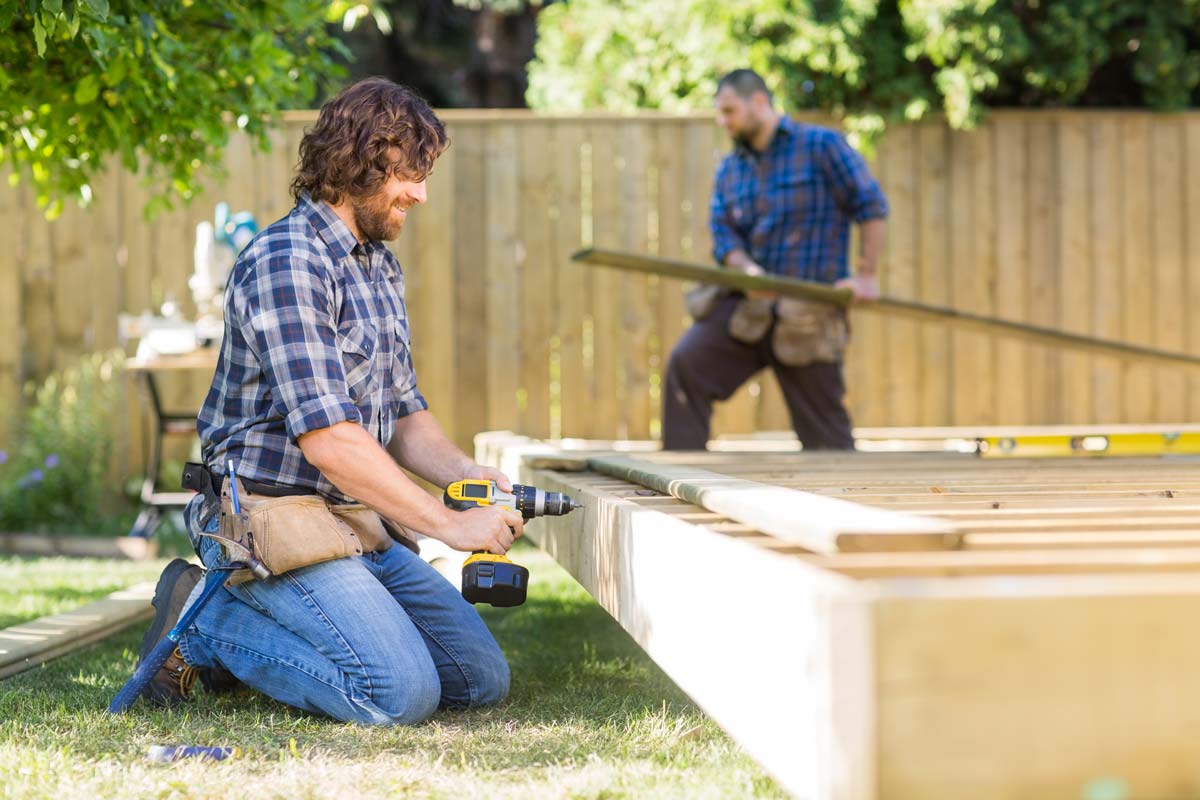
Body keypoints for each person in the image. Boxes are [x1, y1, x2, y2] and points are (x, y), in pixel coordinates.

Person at [132, 78, 522, 725]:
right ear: (361, 160)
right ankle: (205, 620)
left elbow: (402, 413)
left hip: (351, 519)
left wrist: (466, 477)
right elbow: (330, 440)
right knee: (399, 693)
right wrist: (450, 526)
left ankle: (242, 623)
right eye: (410, 174)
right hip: (271, 516)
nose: (421, 193)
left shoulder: (376, 265)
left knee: (477, 679)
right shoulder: (288, 260)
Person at [662, 69, 889, 451]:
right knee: (686, 367)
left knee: (828, 441)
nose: (724, 121)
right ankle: (674, 485)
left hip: (808, 318)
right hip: (747, 311)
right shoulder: (731, 168)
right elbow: (724, 236)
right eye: (720, 112)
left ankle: (842, 497)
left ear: (760, 103)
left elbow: (871, 204)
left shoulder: (821, 146)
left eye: (729, 111)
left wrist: (866, 274)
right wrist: (747, 272)